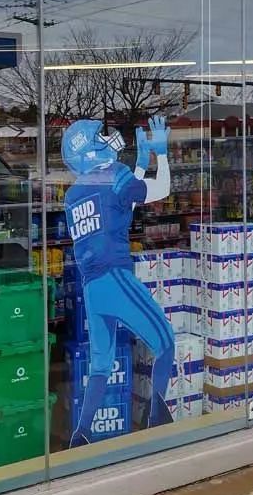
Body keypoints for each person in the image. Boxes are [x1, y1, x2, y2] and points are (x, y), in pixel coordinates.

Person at [62, 116, 174, 447]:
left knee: (101, 365)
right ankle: (156, 421)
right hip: (115, 276)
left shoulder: (73, 193)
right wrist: (161, 154)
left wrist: (138, 165)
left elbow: (118, 206)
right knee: (165, 341)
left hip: (92, 286)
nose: (109, 139)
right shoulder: (115, 174)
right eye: (102, 137)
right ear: (92, 149)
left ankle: (81, 433)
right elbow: (161, 190)